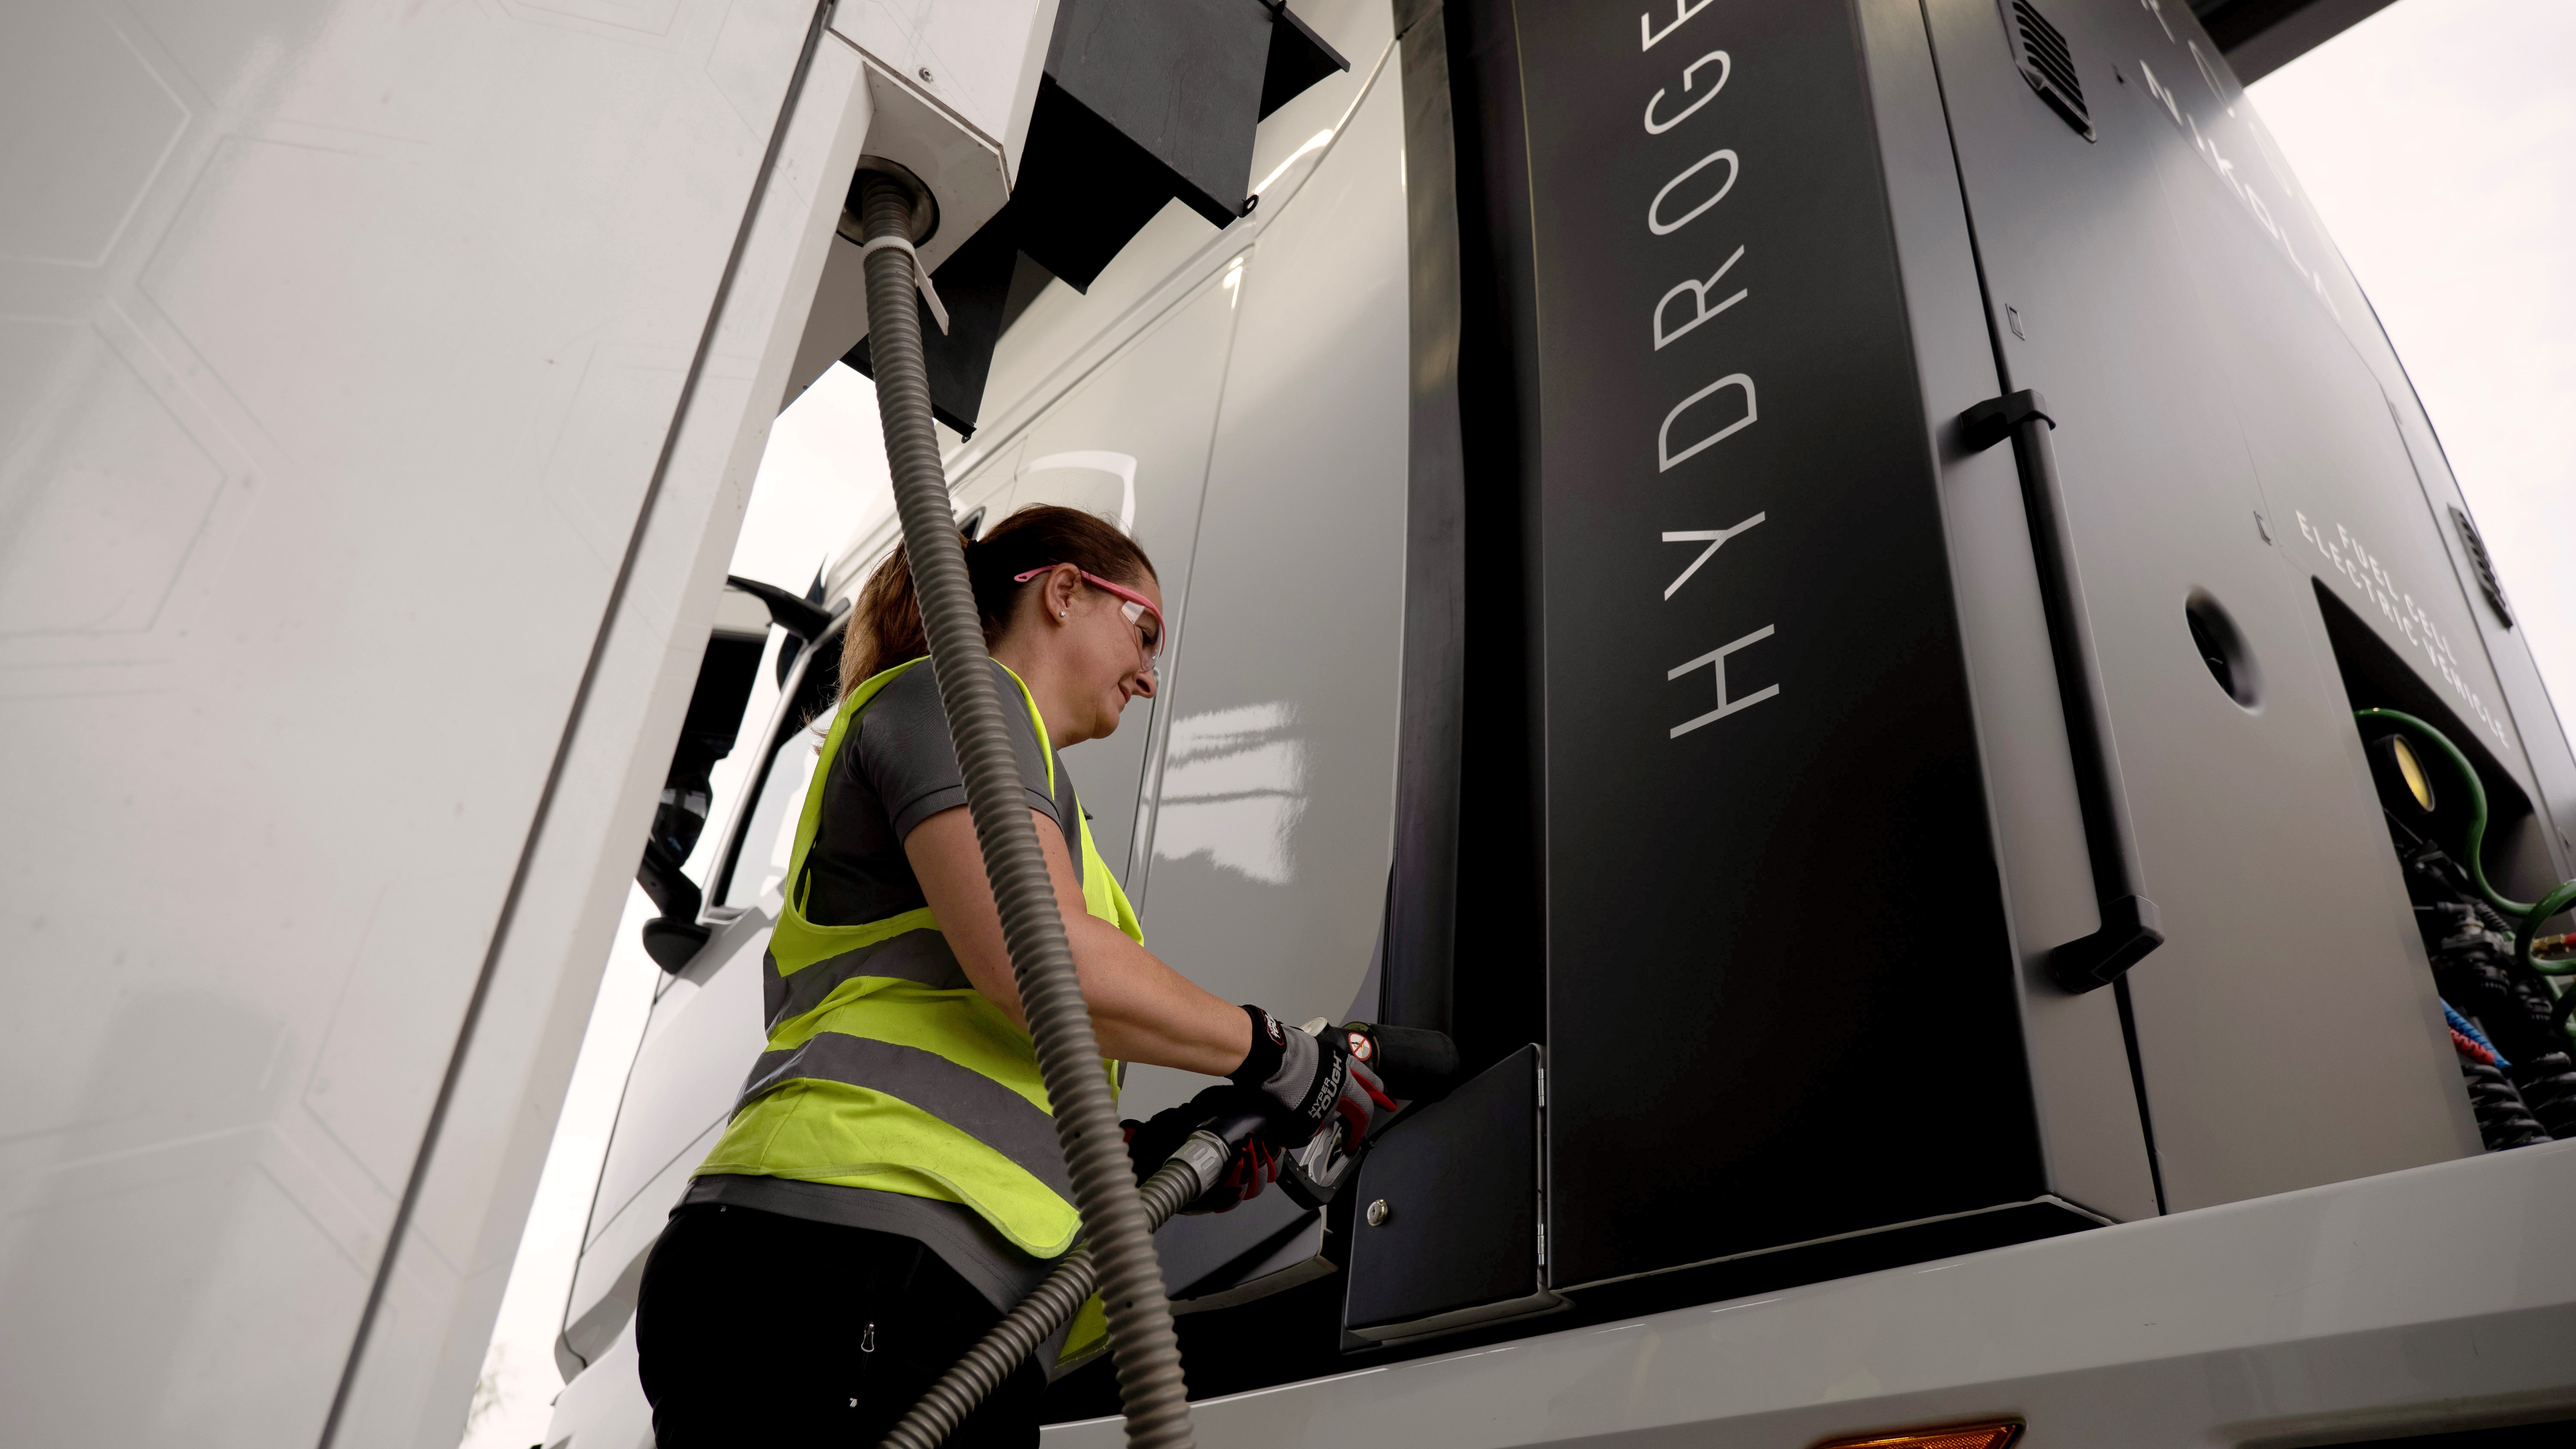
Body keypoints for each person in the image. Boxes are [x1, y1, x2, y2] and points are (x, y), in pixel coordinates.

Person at [633, 504, 1393, 1447]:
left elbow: (995, 1053)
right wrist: (1278, 1054)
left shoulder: (1040, 803)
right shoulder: (954, 696)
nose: (1152, 674)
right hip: (851, 1253)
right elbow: (1038, 956)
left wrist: (1147, 1153)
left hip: (929, 1290)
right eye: (1144, 628)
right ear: (1065, 591)